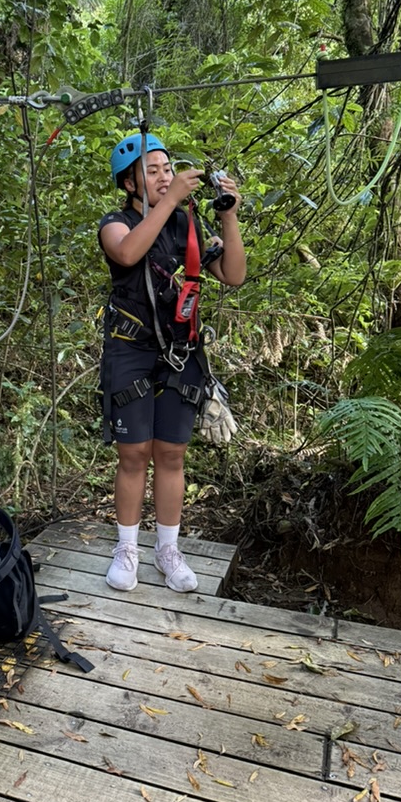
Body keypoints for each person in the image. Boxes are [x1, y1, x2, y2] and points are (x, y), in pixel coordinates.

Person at [99, 131, 246, 592]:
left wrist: (229, 216)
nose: (165, 176)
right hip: (130, 350)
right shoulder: (116, 223)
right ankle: (127, 549)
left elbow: (233, 275)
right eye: (153, 171)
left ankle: (168, 549)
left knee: (171, 453)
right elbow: (127, 252)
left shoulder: (186, 225)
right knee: (133, 454)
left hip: (180, 354)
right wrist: (171, 200)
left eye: (168, 168)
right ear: (129, 184)